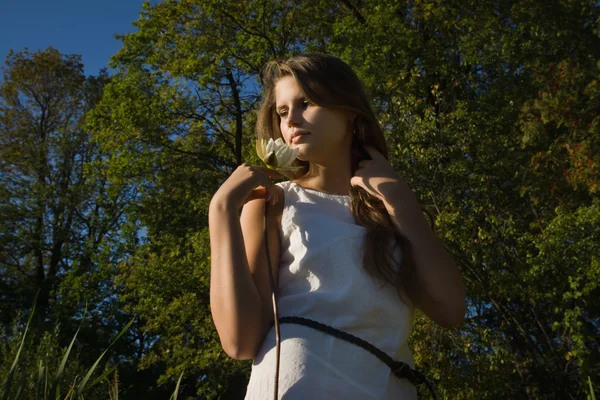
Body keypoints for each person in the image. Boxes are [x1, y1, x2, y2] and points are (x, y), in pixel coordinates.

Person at [208, 54, 466, 399]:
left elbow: (450, 310)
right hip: (299, 385)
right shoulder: (274, 203)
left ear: (350, 113)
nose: (291, 120)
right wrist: (221, 210)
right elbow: (240, 340)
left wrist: (401, 202)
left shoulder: (390, 209)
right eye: (282, 112)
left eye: (306, 103)